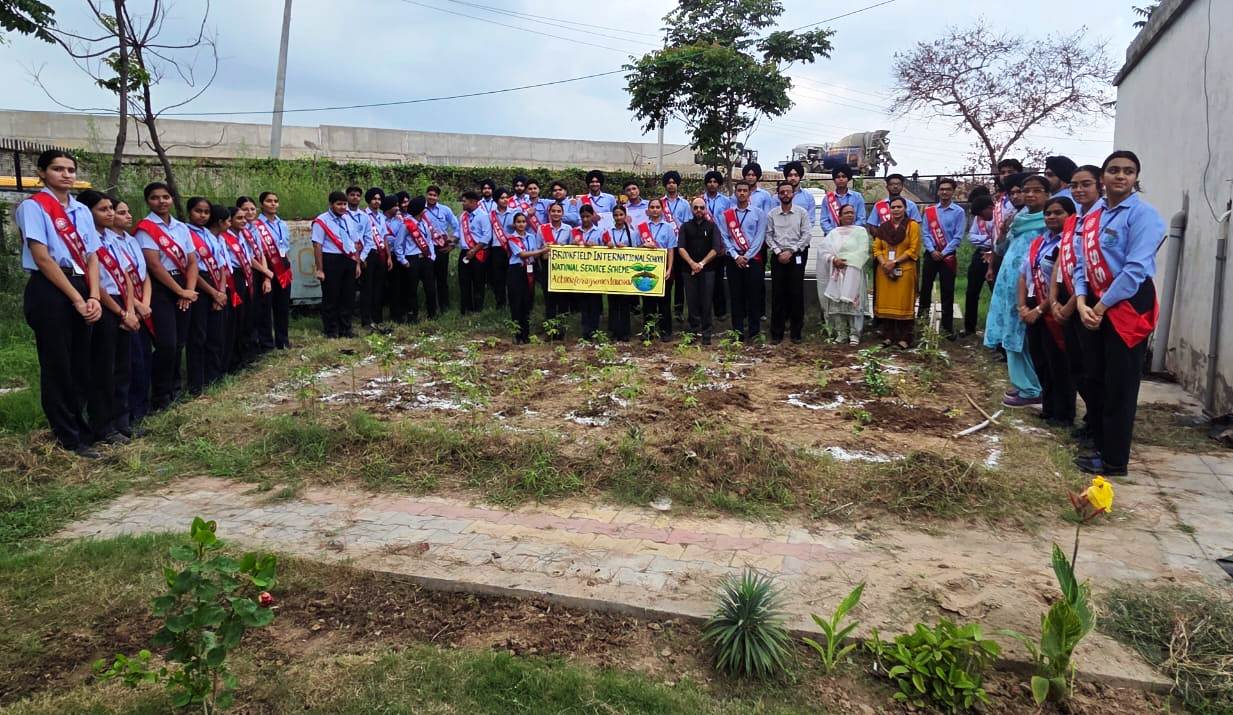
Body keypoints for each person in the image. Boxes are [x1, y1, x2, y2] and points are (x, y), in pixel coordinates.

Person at [1072, 151, 1166, 477]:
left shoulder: (1143, 215)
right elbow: (1082, 262)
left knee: (1120, 384)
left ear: (1135, 178)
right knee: (1094, 377)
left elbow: (1135, 269)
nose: (1121, 176)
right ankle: (1099, 444)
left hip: (1126, 304)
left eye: (1128, 171)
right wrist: (1081, 301)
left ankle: (1114, 460)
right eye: (1114, 170)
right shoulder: (1094, 214)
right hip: (1093, 302)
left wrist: (1099, 307)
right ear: (1104, 177)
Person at [16, 150, 103, 457]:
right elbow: (42, 257)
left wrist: (94, 295)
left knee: (81, 363)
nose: (66, 174)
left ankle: (81, 429)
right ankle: (67, 436)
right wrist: (77, 299)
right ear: (42, 172)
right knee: (58, 365)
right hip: (51, 288)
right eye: (57, 169)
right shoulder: (34, 206)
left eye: (70, 169)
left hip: (82, 284)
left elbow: (92, 256)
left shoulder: (81, 210)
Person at [1049, 165, 1104, 443]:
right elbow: (1064, 260)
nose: (1079, 190)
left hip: (1089, 302)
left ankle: (1098, 426)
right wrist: (1053, 299)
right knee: (1077, 366)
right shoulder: (1075, 220)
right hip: (1070, 297)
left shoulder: (1102, 217)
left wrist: (1072, 304)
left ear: (1099, 185)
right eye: (1075, 185)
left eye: (1086, 184)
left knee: (1093, 369)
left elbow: (1090, 269)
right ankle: (1091, 420)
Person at [78, 190, 136, 446]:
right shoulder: (85, 239)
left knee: (122, 367)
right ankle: (102, 426)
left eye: (111, 208)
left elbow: (126, 276)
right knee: (104, 369)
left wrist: (130, 310)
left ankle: (121, 422)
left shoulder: (112, 238)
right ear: (87, 212)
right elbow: (96, 283)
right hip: (104, 305)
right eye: (103, 209)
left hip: (123, 304)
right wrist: (121, 312)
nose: (110, 213)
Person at [986, 174, 1049, 407]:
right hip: (1008, 281)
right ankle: (1022, 383)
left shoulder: (1050, 220)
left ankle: (1033, 387)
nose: (1030, 195)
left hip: (1032, 285)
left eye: (1037, 190)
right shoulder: (1018, 218)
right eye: (1026, 190)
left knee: (1024, 334)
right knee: (1010, 330)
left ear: (1047, 194)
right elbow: (1002, 248)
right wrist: (1003, 232)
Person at [137, 181, 198, 412]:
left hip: (183, 285)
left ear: (172, 199)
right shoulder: (145, 229)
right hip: (161, 288)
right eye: (155, 197)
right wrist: (179, 291)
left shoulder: (181, 227)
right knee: (167, 344)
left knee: (180, 341)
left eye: (165, 197)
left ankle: (175, 388)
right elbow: (154, 265)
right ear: (148, 201)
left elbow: (192, 262)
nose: (161, 201)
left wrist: (187, 291)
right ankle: (160, 395)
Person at [1020, 196, 1077, 427]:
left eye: (1058, 212)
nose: (1052, 217)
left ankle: (1063, 413)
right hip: (1034, 304)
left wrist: (1039, 309)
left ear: (1070, 216)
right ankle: (1049, 407)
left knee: (1059, 361)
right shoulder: (1040, 242)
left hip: (1055, 306)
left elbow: (1061, 280)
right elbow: (1024, 274)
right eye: (1048, 213)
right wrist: (1022, 307)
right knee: (1040, 359)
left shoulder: (1070, 243)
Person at [112, 198, 151, 433]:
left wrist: (144, 304)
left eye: (128, 212)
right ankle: (125, 416)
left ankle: (140, 409)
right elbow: (119, 279)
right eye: (121, 212)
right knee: (128, 362)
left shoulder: (132, 240)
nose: (128, 216)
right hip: (125, 306)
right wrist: (133, 306)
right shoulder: (107, 242)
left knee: (143, 357)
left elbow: (144, 275)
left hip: (141, 306)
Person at [184, 198, 228, 395]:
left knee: (215, 335)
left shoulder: (210, 235)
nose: (202, 215)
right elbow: (191, 268)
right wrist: (213, 293)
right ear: (189, 212)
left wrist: (221, 292)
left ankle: (214, 376)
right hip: (199, 285)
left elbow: (221, 265)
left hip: (217, 282)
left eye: (206, 212)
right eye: (198, 211)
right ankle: (196, 383)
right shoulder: (185, 232)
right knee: (198, 336)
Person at [917, 177, 965, 338]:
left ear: (953, 191)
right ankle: (921, 323)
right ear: (938, 191)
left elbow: (958, 236)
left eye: (948, 189)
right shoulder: (930, 211)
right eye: (942, 189)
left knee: (947, 290)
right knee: (925, 289)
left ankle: (947, 327)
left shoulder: (959, 212)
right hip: (931, 254)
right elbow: (925, 233)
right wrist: (932, 250)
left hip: (948, 256)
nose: (944, 192)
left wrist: (944, 253)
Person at [719, 180, 767, 341]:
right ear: (735, 193)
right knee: (736, 296)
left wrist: (747, 256)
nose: (741, 193)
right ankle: (737, 332)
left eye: (745, 190)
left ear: (749, 193)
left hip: (753, 259)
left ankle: (754, 332)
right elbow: (725, 237)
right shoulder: (727, 215)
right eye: (739, 190)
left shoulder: (759, 213)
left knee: (754, 296)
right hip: (733, 260)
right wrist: (736, 256)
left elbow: (760, 237)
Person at [311, 190, 362, 338]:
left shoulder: (348, 219)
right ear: (331, 204)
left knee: (348, 296)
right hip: (331, 259)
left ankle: (346, 328)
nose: (342, 207)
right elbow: (317, 245)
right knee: (331, 296)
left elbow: (355, 243)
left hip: (349, 259)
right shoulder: (321, 220)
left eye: (344, 204)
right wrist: (320, 269)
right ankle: (331, 330)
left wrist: (357, 263)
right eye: (339, 204)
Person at [871, 196, 920, 349]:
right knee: (886, 303)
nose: (896, 210)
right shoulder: (883, 227)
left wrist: (895, 262)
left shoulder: (912, 226)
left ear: (905, 209)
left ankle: (905, 338)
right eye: (893, 207)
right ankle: (888, 336)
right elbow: (876, 248)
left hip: (904, 270)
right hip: (884, 270)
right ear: (889, 209)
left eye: (899, 207)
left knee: (904, 303)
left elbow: (913, 249)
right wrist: (884, 263)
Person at [818, 204, 871, 346]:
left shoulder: (860, 231)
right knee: (837, 302)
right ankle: (841, 333)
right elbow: (823, 251)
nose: (850, 215)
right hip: (836, 272)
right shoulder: (833, 233)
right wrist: (834, 260)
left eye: (852, 213)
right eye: (846, 213)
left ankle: (855, 334)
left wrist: (847, 262)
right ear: (840, 216)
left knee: (854, 302)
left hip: (854, 271)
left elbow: (863, 251)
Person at [766, 181, 811, 344]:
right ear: (778, 195)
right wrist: (778, 252)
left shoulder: (801, 213)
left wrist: (791, 251)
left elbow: (806, 235)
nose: (785, 194)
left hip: (796, 255)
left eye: (788, 192)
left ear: (793, 194)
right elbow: (768, 235)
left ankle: (796, 332)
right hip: (778, 256)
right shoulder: (772, 214)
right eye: (782, 192)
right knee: (778, 293)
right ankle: (776, 333)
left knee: (796, 293)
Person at [678, 198, 724, 345]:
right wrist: (692, 264)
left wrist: (701, 264)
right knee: (692, 301)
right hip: (688, 270)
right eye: (696, 207)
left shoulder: (712, 226)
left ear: (705, 209)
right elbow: (681, 248)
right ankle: (693, 331)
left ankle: (706, 333)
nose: (699, 210)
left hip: (707, 270)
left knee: (706, 301)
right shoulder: (685, 227)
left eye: (702, 207)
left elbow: (716, 248)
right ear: (691, 209)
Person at [236, 197, 274, 359]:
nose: (250, 212)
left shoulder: (255, 228)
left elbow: (261, 252)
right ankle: (251, 346)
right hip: (248, 271)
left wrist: (266, 275)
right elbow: (247, 257)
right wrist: (265, 270)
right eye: (245, 209)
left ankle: (266, 343)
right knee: (251, 311)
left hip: (260, 271)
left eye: (252, 209)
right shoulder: (238, 230)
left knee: (263, 309)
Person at [254, 191, 291, 349]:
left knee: (282, 305)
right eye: (269, 201)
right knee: (265, 306)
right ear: (262, 204)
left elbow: (286, 247)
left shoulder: (282, 224)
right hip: (265, 265)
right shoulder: (256, 225)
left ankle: (283, 340)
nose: (273, 204)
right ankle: (267, 342)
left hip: (282, 264)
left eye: (276, 201)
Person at [638, 197, 676, 341]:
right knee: (648, 302)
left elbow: (671, 250)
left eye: (657, 207)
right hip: (646, 269)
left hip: (663, 268)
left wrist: (669, 269)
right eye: (652, 207)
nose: (655, 210)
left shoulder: (668, 227)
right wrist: (643, 246)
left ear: (662, 209)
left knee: (664, 302)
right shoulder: (641, 227)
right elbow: (635, 248)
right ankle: (649, 330)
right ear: (648, 210)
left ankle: (666, 331)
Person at [506, 211, 547, 344]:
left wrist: (543, 250)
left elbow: (534, 254)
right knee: (516, 302)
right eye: (518, 222)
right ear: (514, 224)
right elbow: (522, 254)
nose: (521, 224)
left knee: (527, 302)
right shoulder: (512, 238)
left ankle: (526, 334)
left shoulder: (531, 236)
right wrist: (542, 251)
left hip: (529, 270)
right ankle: (517, 334)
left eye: (523, 222)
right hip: (516, 270)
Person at [221, 207, 253, 371]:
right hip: (234, 277)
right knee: (237, 318)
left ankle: (245, 355)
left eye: (244, 218)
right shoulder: (224, 238)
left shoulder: (243, 235)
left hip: (246, 274)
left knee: (246, 316)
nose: (244, 221)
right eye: (239, 218)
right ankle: (234, 360)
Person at [398, 196, 439, 323]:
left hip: (426, 259)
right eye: (423, 207)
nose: (425, 209)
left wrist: (432, 256)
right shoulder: (406, 225)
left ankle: (432, 314)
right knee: (412, 289)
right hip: (412, 260)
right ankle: (412, 316)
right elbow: (398, 244)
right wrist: (403, 260)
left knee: (430, 288)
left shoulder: (424, 223)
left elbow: (429, 241)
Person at [575, 204, 611, 340]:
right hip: (580, 272)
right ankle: (585, 331)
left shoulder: (601, 231)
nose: (585, 219)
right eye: (583, 217)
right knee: (583, 303)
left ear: (593, 216)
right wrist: (573, 244)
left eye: (588, 216)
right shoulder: (575, 231)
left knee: (595, 302)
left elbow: (609, 248)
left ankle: (595, 330)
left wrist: (596, 246)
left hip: (596, 272)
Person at [961, 193, 995, 337]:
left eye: (981, 214)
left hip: (995, 257)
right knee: (972, 292)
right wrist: (986, 238)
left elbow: (998, 240)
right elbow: (971, 237)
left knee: (995, 293)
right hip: (980, 255)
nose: (980, 217)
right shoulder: (979, 217)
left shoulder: (999, 217)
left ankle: (994, 331)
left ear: (990, 208)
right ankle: (969, 328)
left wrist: (988, 240)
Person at [661, 171, 692, 320]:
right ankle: (663, 308)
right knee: (665, 278)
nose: (671, 185)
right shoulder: (660, 203)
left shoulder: (684, 204)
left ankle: (678, 310)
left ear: (677, 184)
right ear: (665, 185)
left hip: (680, 245)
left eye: (673, 182)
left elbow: (687, 224)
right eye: (668, 183)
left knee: (680, 279)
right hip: (664, 246)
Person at [358, 187, 391, 330]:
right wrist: (361, 257)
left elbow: (384, 237)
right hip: (368, 254)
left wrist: (389, 257)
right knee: (367, 287)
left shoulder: (382, 217)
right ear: (369, 200)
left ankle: (378, 318)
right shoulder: (363, 215)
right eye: (374, 199)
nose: (377, 201)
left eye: (379, 199)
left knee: (379, 287)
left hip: (381, 254)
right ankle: (366, 320)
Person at [701, 170, 732, 319]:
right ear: (706, 184)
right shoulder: (700, 201)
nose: (712, 184)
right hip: (703, 243)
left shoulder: (726, 201)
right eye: (709, 182)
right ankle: (704, 311)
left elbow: (730, 223)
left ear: (719, 184)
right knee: (704, 279)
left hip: (720, 243)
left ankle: (720, 311)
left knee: (719, 279)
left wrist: (725, 245)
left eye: (715, 182)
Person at [424, 185, 459, 312]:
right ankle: (431, 307)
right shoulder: (421, 210)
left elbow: (457, 226)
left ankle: (444, 306)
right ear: (426, 195)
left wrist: (453, 243)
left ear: (438, 197)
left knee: (442, 279)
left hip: (441, 248)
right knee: (429, 279)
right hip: (426, 249)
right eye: (430, 194)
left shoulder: (445, 210)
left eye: (435, 195)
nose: (432, 197)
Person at [457, 190, 491, 314]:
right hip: (465, 252)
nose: (462, 203)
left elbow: (487, 236)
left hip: (478, 252)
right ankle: (466, 308)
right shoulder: (463, 216)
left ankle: (478, 309)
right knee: (464, 281)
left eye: (464, 201)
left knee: (478, 281)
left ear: (473, 202)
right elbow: (458, 232)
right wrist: (451, 240)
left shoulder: (483, 216)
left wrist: (474, 250)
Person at [607, 204, 637, 341]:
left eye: (621, 215)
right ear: (613, 217)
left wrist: (626, 248)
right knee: (612, 302)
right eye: (616, 215)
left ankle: (625, 332)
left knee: (625, 303)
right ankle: (613, 331)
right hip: (612, 272)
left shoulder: (632, 233)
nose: (618, 217)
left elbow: (637, 251)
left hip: (626, 272)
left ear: (625, 216)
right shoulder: (607, 231)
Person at [486, 188, 513, 309]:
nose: (505, 200)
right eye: (502, 198)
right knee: (498, 277)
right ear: (496, 200)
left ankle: (512, 302)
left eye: (507, 197)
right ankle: (500, 303)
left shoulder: (514, 212)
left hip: (511, 248)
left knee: (511, 277)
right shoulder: (490, 215)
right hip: (496, 249)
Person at [819, 165, 866, 233]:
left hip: (853, 235)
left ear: (848, 179)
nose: (841, 179)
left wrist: (849, 232)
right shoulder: (827, 198)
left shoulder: (857, 197)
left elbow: (861, 219)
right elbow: (824, 221)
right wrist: (835, 233)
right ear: (834, 180)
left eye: (844, 176)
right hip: (833, 236)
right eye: (838, 177)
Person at [782, 160, 817, 226]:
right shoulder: (777, 197)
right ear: (786, 177)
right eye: (790, 175)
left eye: (796, 175)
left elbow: (811, 220)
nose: (793, 178)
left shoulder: (808, 197)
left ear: (800, 176)